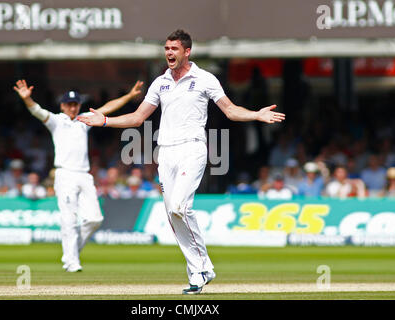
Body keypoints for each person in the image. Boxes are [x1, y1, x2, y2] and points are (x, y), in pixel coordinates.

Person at [77, 29, 285, 294]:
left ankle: (203, 266)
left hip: (193, 149)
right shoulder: (160, 82)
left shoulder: (205, 79)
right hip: (165, 153)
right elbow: (138, 118)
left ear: (187, 52)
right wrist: (105, 121)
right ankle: (198, 273)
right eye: (166, 49)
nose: (169, 53)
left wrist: (256, 115)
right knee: (173, 215)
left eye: (174, 49)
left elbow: (230, 111)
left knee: (179, 206)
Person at [13, 78, 143, 272]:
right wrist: (27, 99)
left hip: (84, 175)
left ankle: (71, 253)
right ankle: (71, 261)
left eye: (76, 104)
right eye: (70, 105)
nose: (73, 108)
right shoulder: (56, 121)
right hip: (65, 175)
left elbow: (107, 108)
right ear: (63, 106)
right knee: (69, 219)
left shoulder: (84, 120)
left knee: (95, 219)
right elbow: (37, 111)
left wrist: (129, 96)